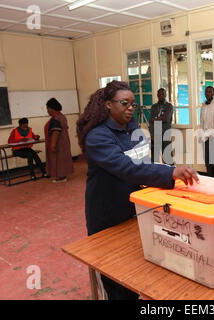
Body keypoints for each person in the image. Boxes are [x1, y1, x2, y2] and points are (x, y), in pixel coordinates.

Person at [76, 80, 199, 300]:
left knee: (134, 272)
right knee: (115, 279)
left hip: (134, 210)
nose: (131, 108)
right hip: (108, 214)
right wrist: (169, 174)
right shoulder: (98, 137)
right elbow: (127, 168)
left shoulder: (132, 127)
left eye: (134, 104)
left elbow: (145, 161)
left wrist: (169, 170)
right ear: (107, 105)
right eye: (125, 103)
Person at [44, 98, 74, 183]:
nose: (47, 110)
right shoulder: (62, 116)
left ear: (52, 108)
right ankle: (62, 176)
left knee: (58, 159)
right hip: (64, 141)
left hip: (58, 143)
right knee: (62, 159)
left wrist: (52, 145)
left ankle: (61, 177)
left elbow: (56, 132)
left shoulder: (55, 118)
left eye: (48, 108)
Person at [148, 88, 173, 164]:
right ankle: (155, 174)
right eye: (159, 94)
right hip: (155, 135)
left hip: (165, 134)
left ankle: (169, 174)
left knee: (167, 158)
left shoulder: (169, 106)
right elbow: (151, 121)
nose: (161, 95)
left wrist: (155, 119)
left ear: (165, 95)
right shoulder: (154, 107)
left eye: (163, 94)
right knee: (154, 158)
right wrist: (152, 134)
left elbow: (166, 119)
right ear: (157, 95)